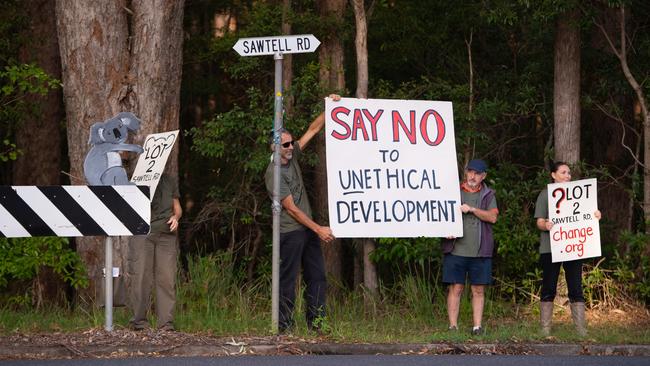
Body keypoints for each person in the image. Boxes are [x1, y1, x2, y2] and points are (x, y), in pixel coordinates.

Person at [264, 95, 340, 333]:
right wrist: (318, 229)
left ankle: (316, 324)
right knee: (287, 281)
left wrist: (330, 106)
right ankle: (284, 327)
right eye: (285, 145)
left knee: (317, 276)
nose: (290, 147)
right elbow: (292, 209)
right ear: (274, 147)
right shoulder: (273, 173)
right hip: (290, 232)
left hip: (307, 230)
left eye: (291, 143)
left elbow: (314, 128)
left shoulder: (292, 154)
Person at [534, 162, 601, 337]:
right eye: (563, 172)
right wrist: (546, 224)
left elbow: (588, 216)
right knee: (548, 287)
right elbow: (539, 221)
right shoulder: (545, 194)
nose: (567, 176)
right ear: (553, 175)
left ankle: (580, 331)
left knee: (576, 288)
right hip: (550, 248)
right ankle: (545, 329)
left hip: (572, 247)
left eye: (569, 173)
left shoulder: (580, 194)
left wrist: (596, 216)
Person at [441, 159, 498, 336]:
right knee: (455, 288)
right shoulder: (453, 191)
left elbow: (492, 217)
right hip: (456, 249)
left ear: (483, 176)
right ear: (466, 173)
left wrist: (472, 209)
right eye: (470, 172)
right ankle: (453, 326)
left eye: (477, 173)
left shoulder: (488, 194)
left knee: (478, 290)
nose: (473, 176)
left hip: (480, 251)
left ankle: (477, 327)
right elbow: (441, 215)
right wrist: (445, 230)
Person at [128, 173, 182, 331]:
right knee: (141, 278)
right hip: (144, 233)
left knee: (166, 279)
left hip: (166, 235)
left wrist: (176, 218)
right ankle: (139, 322)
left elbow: (177, 208)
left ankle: (166, 324)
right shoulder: (138, 177)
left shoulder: (169, 179)